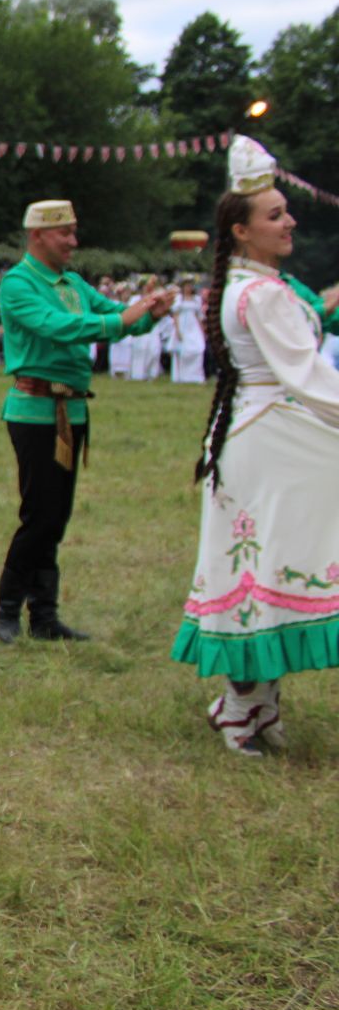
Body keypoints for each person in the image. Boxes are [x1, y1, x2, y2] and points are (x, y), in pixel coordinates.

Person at [173, 137, 339, 755]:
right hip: (271, 439)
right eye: (275, 215)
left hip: (261, 434)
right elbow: (307, 374)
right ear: (242, 232)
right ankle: (243, 705)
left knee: (266, 564)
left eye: (286, 210)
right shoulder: (260, 293)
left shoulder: (251, 285)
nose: (290, 219)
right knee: (262, 568)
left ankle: (255, 703)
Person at [0, 201, 168, 643]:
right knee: (39, 514)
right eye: (64, 233)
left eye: (74, 232)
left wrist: (149, 313)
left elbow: (117, 322)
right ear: (37, 236)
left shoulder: (73, 283)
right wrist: (121, 317)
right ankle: (8, 609)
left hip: (73, 409)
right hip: (34, 411)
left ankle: (45, 618)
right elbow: (57, 326)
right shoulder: (18, 283)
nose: (73, 241)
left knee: (58, 515)